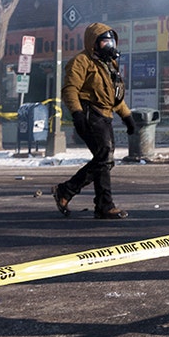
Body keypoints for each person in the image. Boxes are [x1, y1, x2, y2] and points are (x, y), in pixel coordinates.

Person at [51, 23, 135, 219]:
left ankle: (103, 205)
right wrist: (77, 113)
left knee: (104, 160)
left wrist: (127, 116)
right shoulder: (81, 61)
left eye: (111, 41)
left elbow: (113, 97)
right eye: (105, 41)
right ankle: (68, 190)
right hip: (91, 114)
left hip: (106, 115)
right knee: (105, 158)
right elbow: (70, 90)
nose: (109, 45)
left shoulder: (109, 64)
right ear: (93, 43)